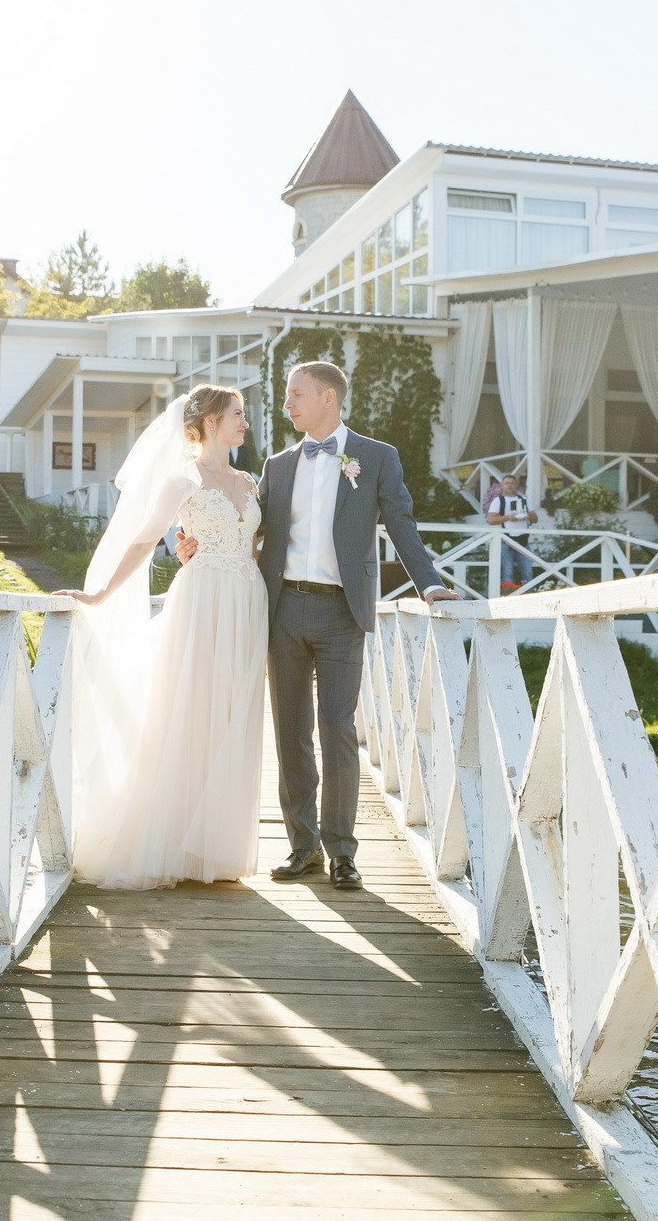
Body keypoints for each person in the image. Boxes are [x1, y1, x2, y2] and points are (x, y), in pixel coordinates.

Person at [180, 360, 460, 891]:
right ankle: (302, 846)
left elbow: (401, 523)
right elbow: (243, 524)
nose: (287, 405)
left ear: (328, 397)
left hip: (340, 613)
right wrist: (190, 542)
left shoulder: (376, 458)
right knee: (290, 732)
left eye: (296, 395)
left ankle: (343, 852)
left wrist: (428, 584)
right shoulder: (277, 466)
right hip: (281, 609)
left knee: (337, 728)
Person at [54, 384, 268, 889]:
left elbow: (255, 544)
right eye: (238, 414)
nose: (245, 422)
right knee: (190, 710)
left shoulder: (249, 480)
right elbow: (146, 538)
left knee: (235, 715)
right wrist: (101, 592)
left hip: (247, 600)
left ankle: (215, 848)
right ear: (211, 421)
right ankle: (172, 843)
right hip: (201, 600)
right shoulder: (182, 479)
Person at [484, 471, 539, 593]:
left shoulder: (524, 499)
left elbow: (535, 519)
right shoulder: (498, 501)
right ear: (502, 486)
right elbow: (491, 520)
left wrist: (528, 514)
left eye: (512, 483)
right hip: (506, 540)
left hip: (523, 541)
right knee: (507, 572)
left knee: (528, 571)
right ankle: (507, 599)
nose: (510, 485)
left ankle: (530, 599)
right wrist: (509, 517)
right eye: (507, 483)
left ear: (516, 485)